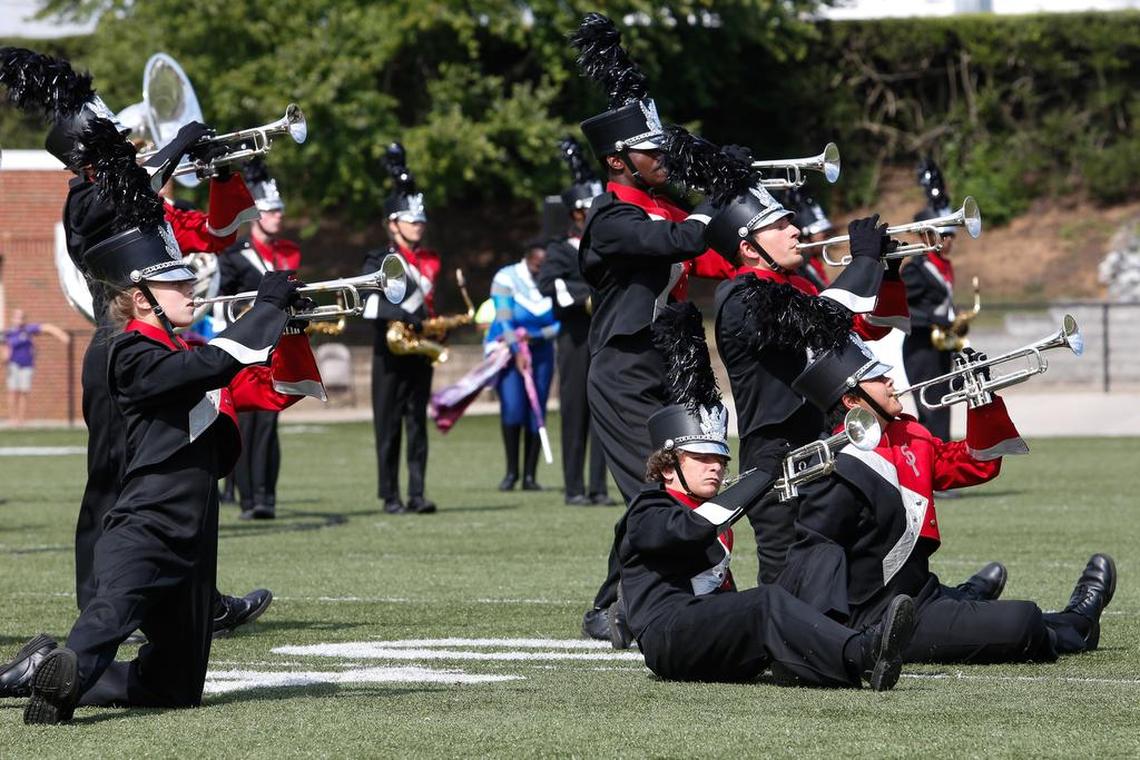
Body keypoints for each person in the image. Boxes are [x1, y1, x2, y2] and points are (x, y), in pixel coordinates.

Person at [13, 176, 322, 723]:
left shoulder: (194, 349)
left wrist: (291, 329)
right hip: (148, 520)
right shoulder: (129, 354)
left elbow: (274, 389)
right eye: (178, 285)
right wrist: (266, 311)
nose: (193, 291)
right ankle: (57, 691)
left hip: (198, 531)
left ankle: (46, 669)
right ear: (140, 297)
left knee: (176, 688)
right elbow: (213, 366)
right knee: (108, 618)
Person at [0, 48, 272, 639]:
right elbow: (134, 182)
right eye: (117, 141)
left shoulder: (148, 210)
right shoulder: (88, 201)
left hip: (166, 350)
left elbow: (221, 234)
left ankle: (199, 599)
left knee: (188, 473)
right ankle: (99, 602)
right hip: (119, 354)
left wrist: (222, 169)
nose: (130, 145)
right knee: (111, 480)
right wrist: (177, 148)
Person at [615, 301, 916, 690]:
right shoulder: (649, 508)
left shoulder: (711, 508)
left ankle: (817, 652)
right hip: (669, 638)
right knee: (766, 601)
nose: (716, 467)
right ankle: (861, 654)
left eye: (721, 458)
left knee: (820, 554)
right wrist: (758, 477)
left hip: (710, 632)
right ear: (669, 466)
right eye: (701, 458)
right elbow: (691, 530)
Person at [780, 335, 1117, 664]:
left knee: (994, 616)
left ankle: (966, 597)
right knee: (1023, 619)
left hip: (919, 590)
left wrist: (981, 401)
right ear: (851, 402)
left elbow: (976, 465)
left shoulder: (908, 434)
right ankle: (1078, 625)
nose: (891, 380)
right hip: (876, 614)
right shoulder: (835, 464)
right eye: (878, 378)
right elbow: (816, 553)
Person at [569, 14, 732, 639]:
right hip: (622, 365)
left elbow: (714, 254)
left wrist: (758, 224)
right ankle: (620, 606)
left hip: (669, 359)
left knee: (671, 489)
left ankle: (612, 603)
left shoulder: (663, 204)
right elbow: (675, 240)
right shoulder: (611, 217)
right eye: (650, 150)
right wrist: (720, 198)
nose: (663, 158)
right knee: (654, 495)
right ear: (618, 159)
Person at [707, 168, 910, 583]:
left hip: (821, 438)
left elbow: (869, 329)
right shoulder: (743, 297)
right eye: (779, 226)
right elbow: (823, 320)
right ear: (748, 248)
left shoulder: (796, 285)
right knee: (786, 569)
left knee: (841, 557)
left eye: (790, 222)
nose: (795, 231)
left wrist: (885, 274)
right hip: (775, 452)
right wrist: (865, 261)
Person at [220, 160, 302, 520]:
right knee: (246, 424)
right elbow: (223, 299)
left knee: (270, 422)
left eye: (279, 211)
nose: (277, 217)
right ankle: (247, 497)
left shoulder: (289, 253)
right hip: (243, 346)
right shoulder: (234, 255)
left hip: (276, 347)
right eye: (270, 211)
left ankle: (267, 495)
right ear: (256, 215)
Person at [535, 137, 614, 506]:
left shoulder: (608, 247)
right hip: (573, 341)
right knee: (574, 412)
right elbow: (548, 286)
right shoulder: (559, 250)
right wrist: (589, 295)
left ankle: (598, 486)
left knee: (603, 412)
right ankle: (573, 487)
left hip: (603, 338)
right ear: (577, 215)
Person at [362, 143, 440, 515]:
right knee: (389, 424)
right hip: (389, 352)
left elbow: (431, 304)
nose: (418, 225)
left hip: (419, 352)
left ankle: (418, 492)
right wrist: (406, 315)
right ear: (393, 224)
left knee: (417, 425)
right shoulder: (379, 259)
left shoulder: (430, 261)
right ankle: (390, 494)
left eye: (420, 220)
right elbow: (368, 303)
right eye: (411, 220)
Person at [485, 241, 560, 491]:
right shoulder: (505, 278)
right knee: (514, 408)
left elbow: (562, 322)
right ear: (527, 260)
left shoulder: (554, 281)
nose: (540, 270)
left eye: (544, 265)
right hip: (509, 351)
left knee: (536, 409)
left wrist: (537, 337)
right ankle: (511, 472)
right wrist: (517, 349)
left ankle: (530, 476)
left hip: (542, 352)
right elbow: (503, 318)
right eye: (536, 265)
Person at [901, 158, 958, 441]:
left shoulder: (941, 266)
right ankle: (931, 475)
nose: (949, 241)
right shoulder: (915, 268)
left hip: (940, 346)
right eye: (944, 236)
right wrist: (934, 319)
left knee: (944, 406)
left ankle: (943, 473)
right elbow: (902, 306)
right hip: (921, 347)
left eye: (951, 236)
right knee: (932, 409)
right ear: (928, 235)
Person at [2, 308, 70, 426]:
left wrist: (61, 335)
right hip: (13, 366)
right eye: (17, 317)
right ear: (12, 319)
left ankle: (21, 420)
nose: (19, 320)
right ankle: (13, 420)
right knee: (13, 392)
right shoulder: (9, 333)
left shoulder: (28, 330)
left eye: (22, 317)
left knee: (24, 392)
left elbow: (47, 327)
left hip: (27, 366)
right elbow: (4, 350)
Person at [786, 187, 834, 291]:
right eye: (823, 235)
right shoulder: (799, 271)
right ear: (807, 237)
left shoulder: (814, 263)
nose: (827, 238)